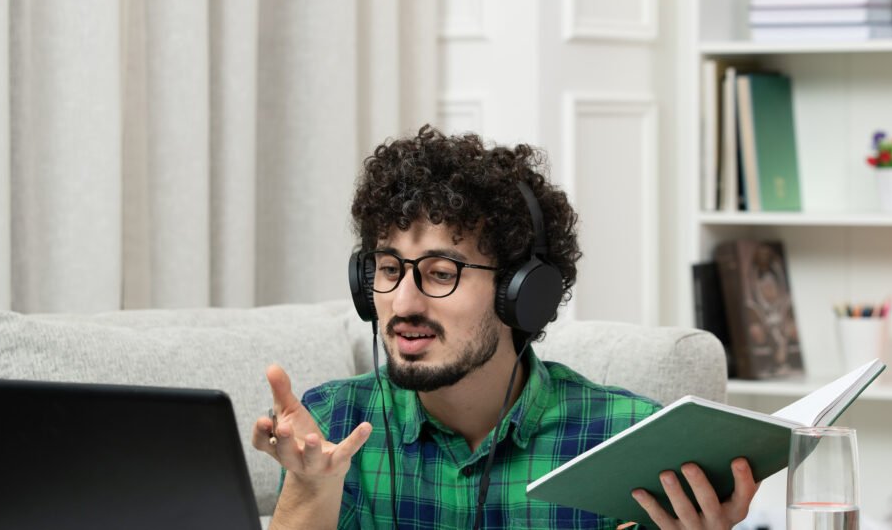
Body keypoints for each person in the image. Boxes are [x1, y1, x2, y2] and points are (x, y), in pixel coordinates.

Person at [251, 125, 759, 529]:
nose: (403, 302)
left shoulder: (628, 441)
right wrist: (310, 489)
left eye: (441, 274)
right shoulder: (330, 426)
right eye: (388, 270)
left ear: (521, 293)